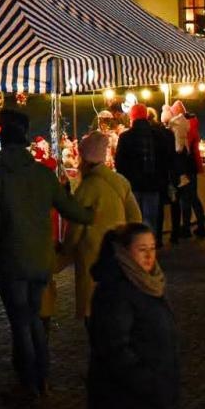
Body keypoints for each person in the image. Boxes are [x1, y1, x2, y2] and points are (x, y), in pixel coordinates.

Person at [0, 108, 94, 400]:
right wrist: (93, 211)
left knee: (21, 322)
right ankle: (41, 379)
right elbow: (71, 210)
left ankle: (28, 381)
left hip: (12, 263)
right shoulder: (44, 175)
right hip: (42, 261)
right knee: (36, 320)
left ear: (1, 146)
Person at [86, 224, 186, 409]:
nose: (150, 255)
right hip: (131, 403)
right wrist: (149, 382)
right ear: (124, 252)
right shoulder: (116, 292)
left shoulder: (147, 283)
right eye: (142, 249)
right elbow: (114, 349)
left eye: (152, 247)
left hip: (152, 398)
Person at [60, 132, 143, 322]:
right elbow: (135, 218)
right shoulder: (120, 181)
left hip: (91, 255)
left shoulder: (87, 187)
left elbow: (76, 226)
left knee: (93, 309)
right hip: (118, 254)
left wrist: (66, 250)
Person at [115, 104, 172, 241]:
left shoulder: (125, 137)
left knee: (134, 219)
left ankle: (135, 248)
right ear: (146, 116)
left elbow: (119, 163)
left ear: (132, 117)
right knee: (150, 219)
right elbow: (166, 160)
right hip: (153, 184)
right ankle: (149, 247)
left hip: (133, 185)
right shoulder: (158, 135)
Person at [163, 101, 205, 241]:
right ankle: (200, 226)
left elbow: (180, 148)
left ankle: (188, 228)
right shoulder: (191, 123)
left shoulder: (182, 126)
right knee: (192, 197)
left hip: (186, 166)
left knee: (187, 198)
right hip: (192, 165)